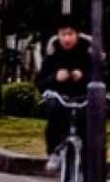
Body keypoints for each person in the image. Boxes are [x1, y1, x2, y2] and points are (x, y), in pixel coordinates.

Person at [35, 15, 92, 171]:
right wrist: (55, 78)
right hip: (58, 99)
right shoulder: (52, 54)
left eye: (70, 34)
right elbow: (39, 82)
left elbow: (102, 77)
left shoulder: (88, 54)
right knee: (54, 118)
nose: (67, 38)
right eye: (63, 34)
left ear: (77, 35)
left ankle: (87, 164)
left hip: (83, 99)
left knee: (89, 124)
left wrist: (83, 76)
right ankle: (53, 153)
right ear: (58, 35)